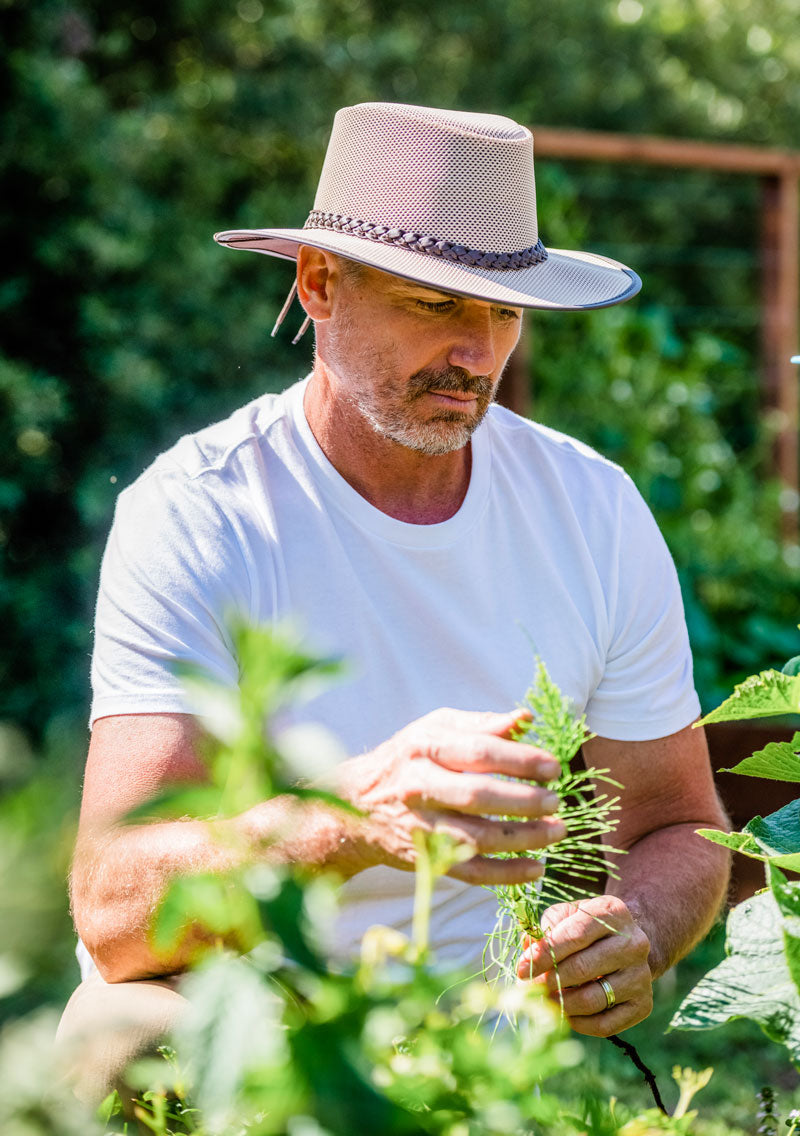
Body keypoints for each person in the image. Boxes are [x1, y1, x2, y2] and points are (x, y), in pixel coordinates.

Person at [58, 102, 729, 1099]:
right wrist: (353, 822)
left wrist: (630, 926)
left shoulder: (591, 509)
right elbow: (113, 912)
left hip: (484, 1029)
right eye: (436, 302)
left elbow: (681, 828)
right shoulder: (205, 512)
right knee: (114, 1036)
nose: (478, 351)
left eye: (502, 310)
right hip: (249, 1024)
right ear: (320, 282)